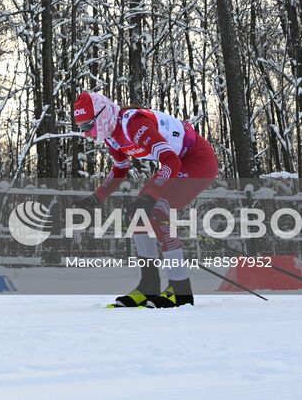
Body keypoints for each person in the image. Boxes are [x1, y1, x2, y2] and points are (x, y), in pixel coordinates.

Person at [70, 91, 219, 307]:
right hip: (177, 161)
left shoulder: (133, 124)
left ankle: (181, 290)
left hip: (197, 160)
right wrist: (96, 198)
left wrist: (151, 197)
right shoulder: (111, 136)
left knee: (157, 209)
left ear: (102, 116)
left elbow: (171, 163)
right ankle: (149, 287)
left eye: (87, 126)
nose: (85, 134)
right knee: (138, 215)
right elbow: (120, 169)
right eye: (81, 128)